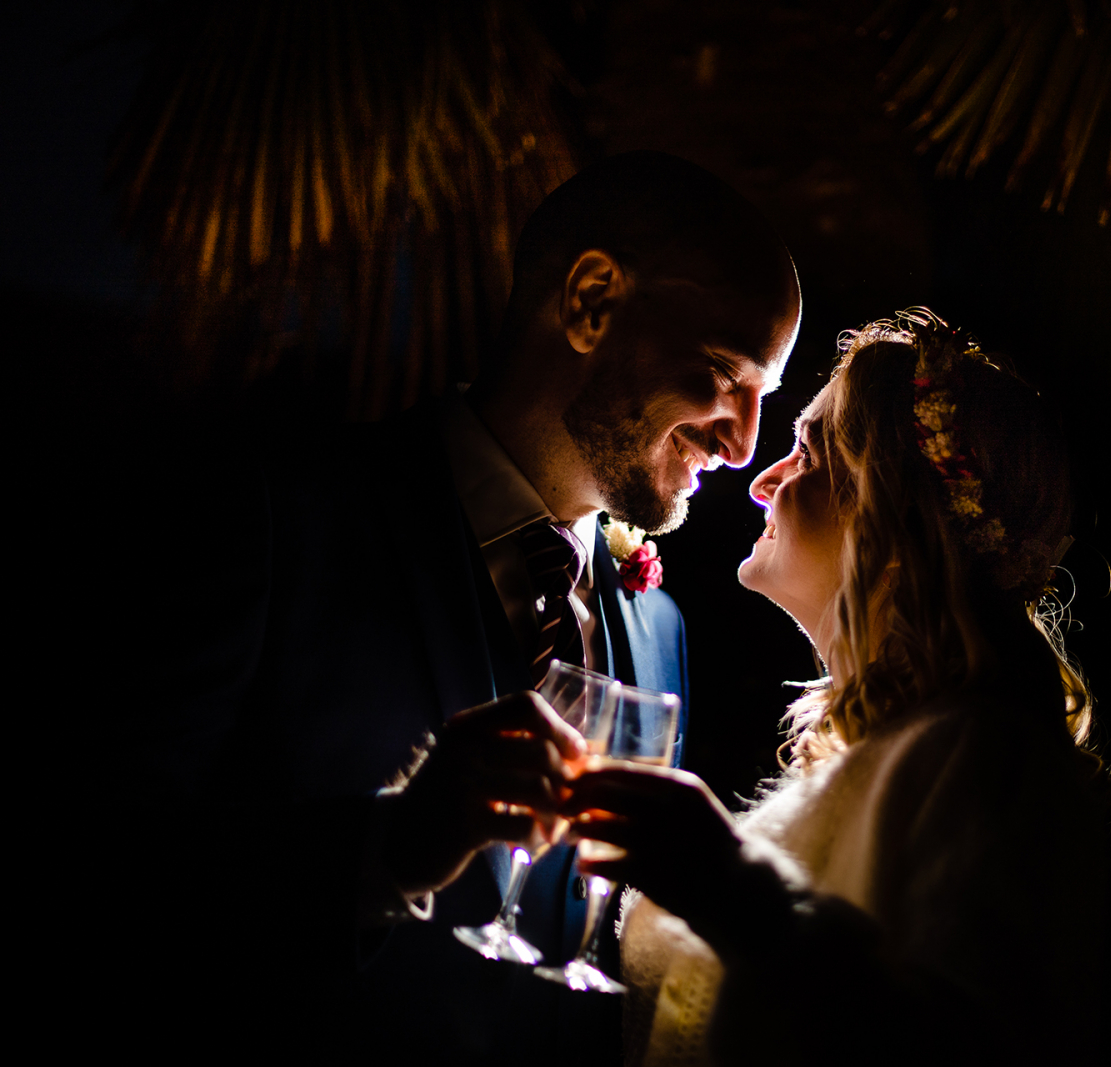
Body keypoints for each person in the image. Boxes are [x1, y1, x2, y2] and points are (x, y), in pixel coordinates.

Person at [98, 151, 800, 1058]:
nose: (744, 444)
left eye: (765, 399)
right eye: (722, 372)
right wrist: (383, 849)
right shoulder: (283, 518)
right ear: (591, 300)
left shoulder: (658, 628)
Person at [563, 308, 1108, 1066]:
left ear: (887, 510)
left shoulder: (990, 759)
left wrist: (731, 889)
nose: (761, 482)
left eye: (806, 453)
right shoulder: (881, 752)